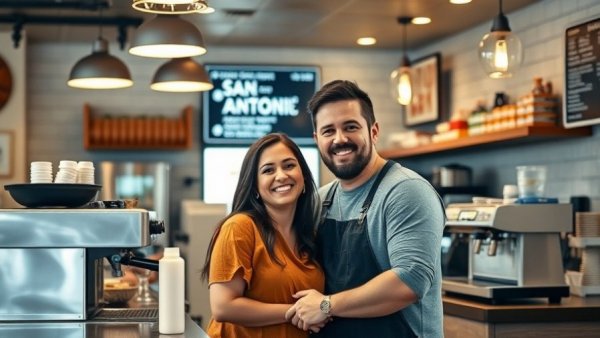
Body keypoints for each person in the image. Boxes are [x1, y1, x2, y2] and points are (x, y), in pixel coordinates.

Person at [285, 80, 445, 337]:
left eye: (350, 127)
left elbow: (410, 281)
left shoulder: (406, 190)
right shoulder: (319, 201)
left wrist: (327, 305)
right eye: (328, 131)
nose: (340, 139)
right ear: (317, 139)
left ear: (373, 131)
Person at [201, 132, 326, 338]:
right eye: (268, 170)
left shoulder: (310, 235)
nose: (281, 175)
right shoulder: (239, 227)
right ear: (255, 186)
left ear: (303, 176)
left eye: (289, 165)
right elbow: (223, 307)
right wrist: (297, 311)